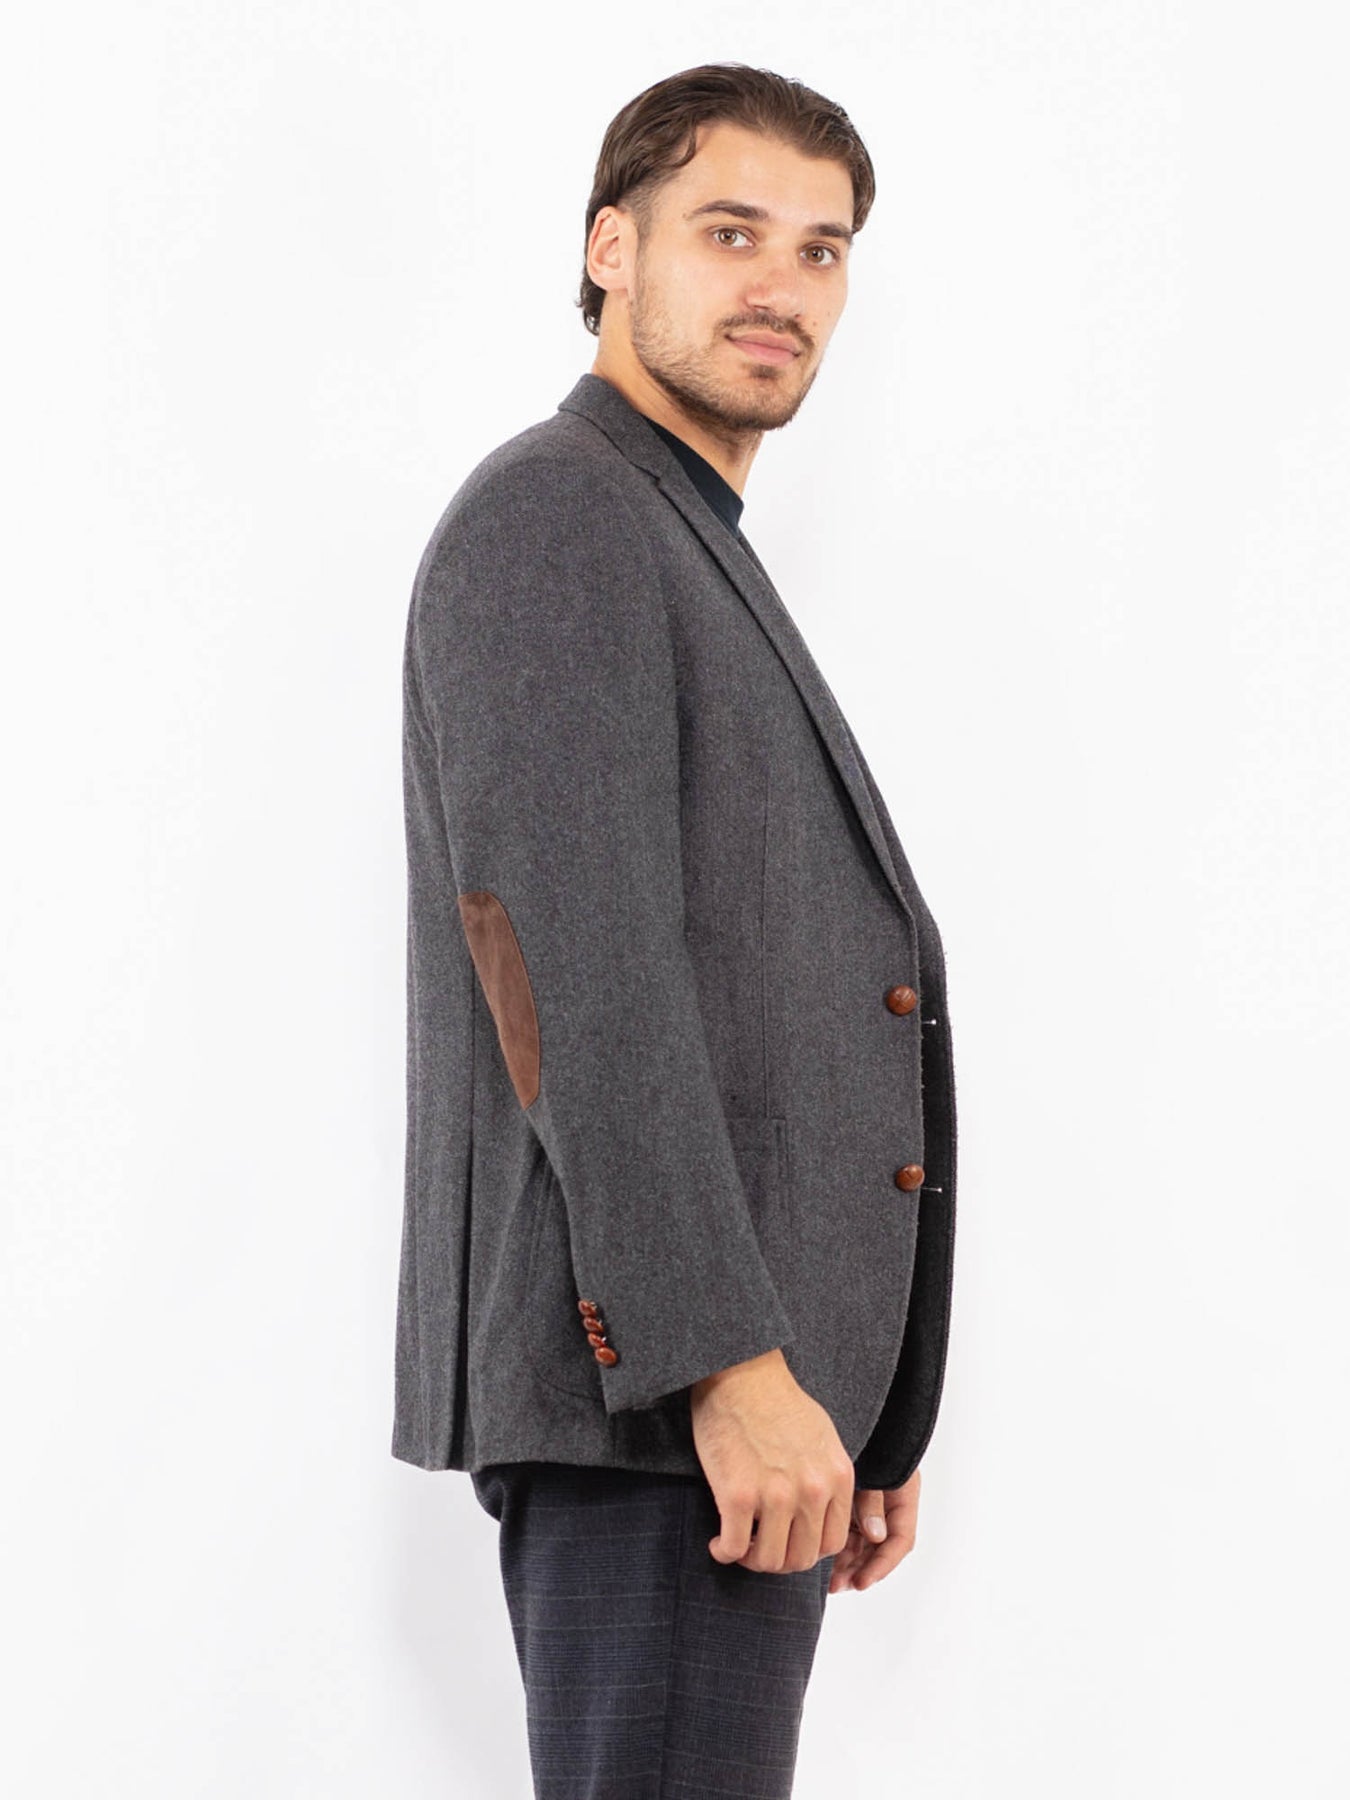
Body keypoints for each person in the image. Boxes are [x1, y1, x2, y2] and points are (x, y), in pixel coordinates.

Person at [393, 60, 958, 1798]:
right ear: (610, 248)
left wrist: (859, 1398)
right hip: (658, 1413)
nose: (780, 284)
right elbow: (569, 964)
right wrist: (727, 1368)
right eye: (729, 232)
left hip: (734, 1413)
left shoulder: (672, 533)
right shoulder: (564, 513)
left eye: (820, 249)